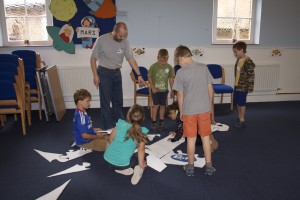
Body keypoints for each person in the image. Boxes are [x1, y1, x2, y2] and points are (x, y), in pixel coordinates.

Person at [90, 22, 145, 130]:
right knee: (105, 103)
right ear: (114, 31)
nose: (122, 38)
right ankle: (108, 129)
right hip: (104, 73)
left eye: (124, 35)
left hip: (116, 73)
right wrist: (95, 75)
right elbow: (93, 58)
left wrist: (139, 74)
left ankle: (120, 127)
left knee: (118, 102)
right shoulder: (102, 40)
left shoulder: (124, 42)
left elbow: (131, 59)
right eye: (120, 35)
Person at [173, 45, 216, 176]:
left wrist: (181, 111)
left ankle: (190, 167)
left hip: (189, 111)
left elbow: (180, 95)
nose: (179, 64)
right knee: (205, 138)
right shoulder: (204, 68)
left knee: (191, 139)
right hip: (204, 109)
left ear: (182, 58)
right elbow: (211, 90)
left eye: (178, 61)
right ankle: (209, 165)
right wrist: (209, 107)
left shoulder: (180, 73)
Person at [104, 104, 148, 185]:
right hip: (123, 164)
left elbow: (110, 139)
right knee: (143, 155)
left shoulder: (120, 124)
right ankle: (138, 170)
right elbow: (141, 150)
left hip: (108, 161)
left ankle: (119, 168)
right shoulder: (142, 132)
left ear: (128, 116)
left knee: (115, 147)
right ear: (143, 118)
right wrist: (141, 164)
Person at [148, 49, 175, 131]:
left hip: (164, 91)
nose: (162, 62)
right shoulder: (153, 66)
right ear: (157, 57)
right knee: (156, 106)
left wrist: (172, 89)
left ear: (167, 58)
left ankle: (161, 122)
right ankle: (153, 122)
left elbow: (171, 79)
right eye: (161, 60)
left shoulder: (169, 67)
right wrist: (152, 87)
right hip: (156, 91)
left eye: (165, 60)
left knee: (163, 106)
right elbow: (149, 77)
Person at [232, 41, 255, 128]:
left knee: (242, 103)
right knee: (237, 102)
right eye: (234, 51)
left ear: (241, 50)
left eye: (236, 51)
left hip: (244, 86)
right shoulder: (238, 60)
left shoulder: (248, 61)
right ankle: (239, 116)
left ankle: (242, 119)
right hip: (237, 85)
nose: (235, 53)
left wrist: (249, 87)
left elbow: (251, 76)